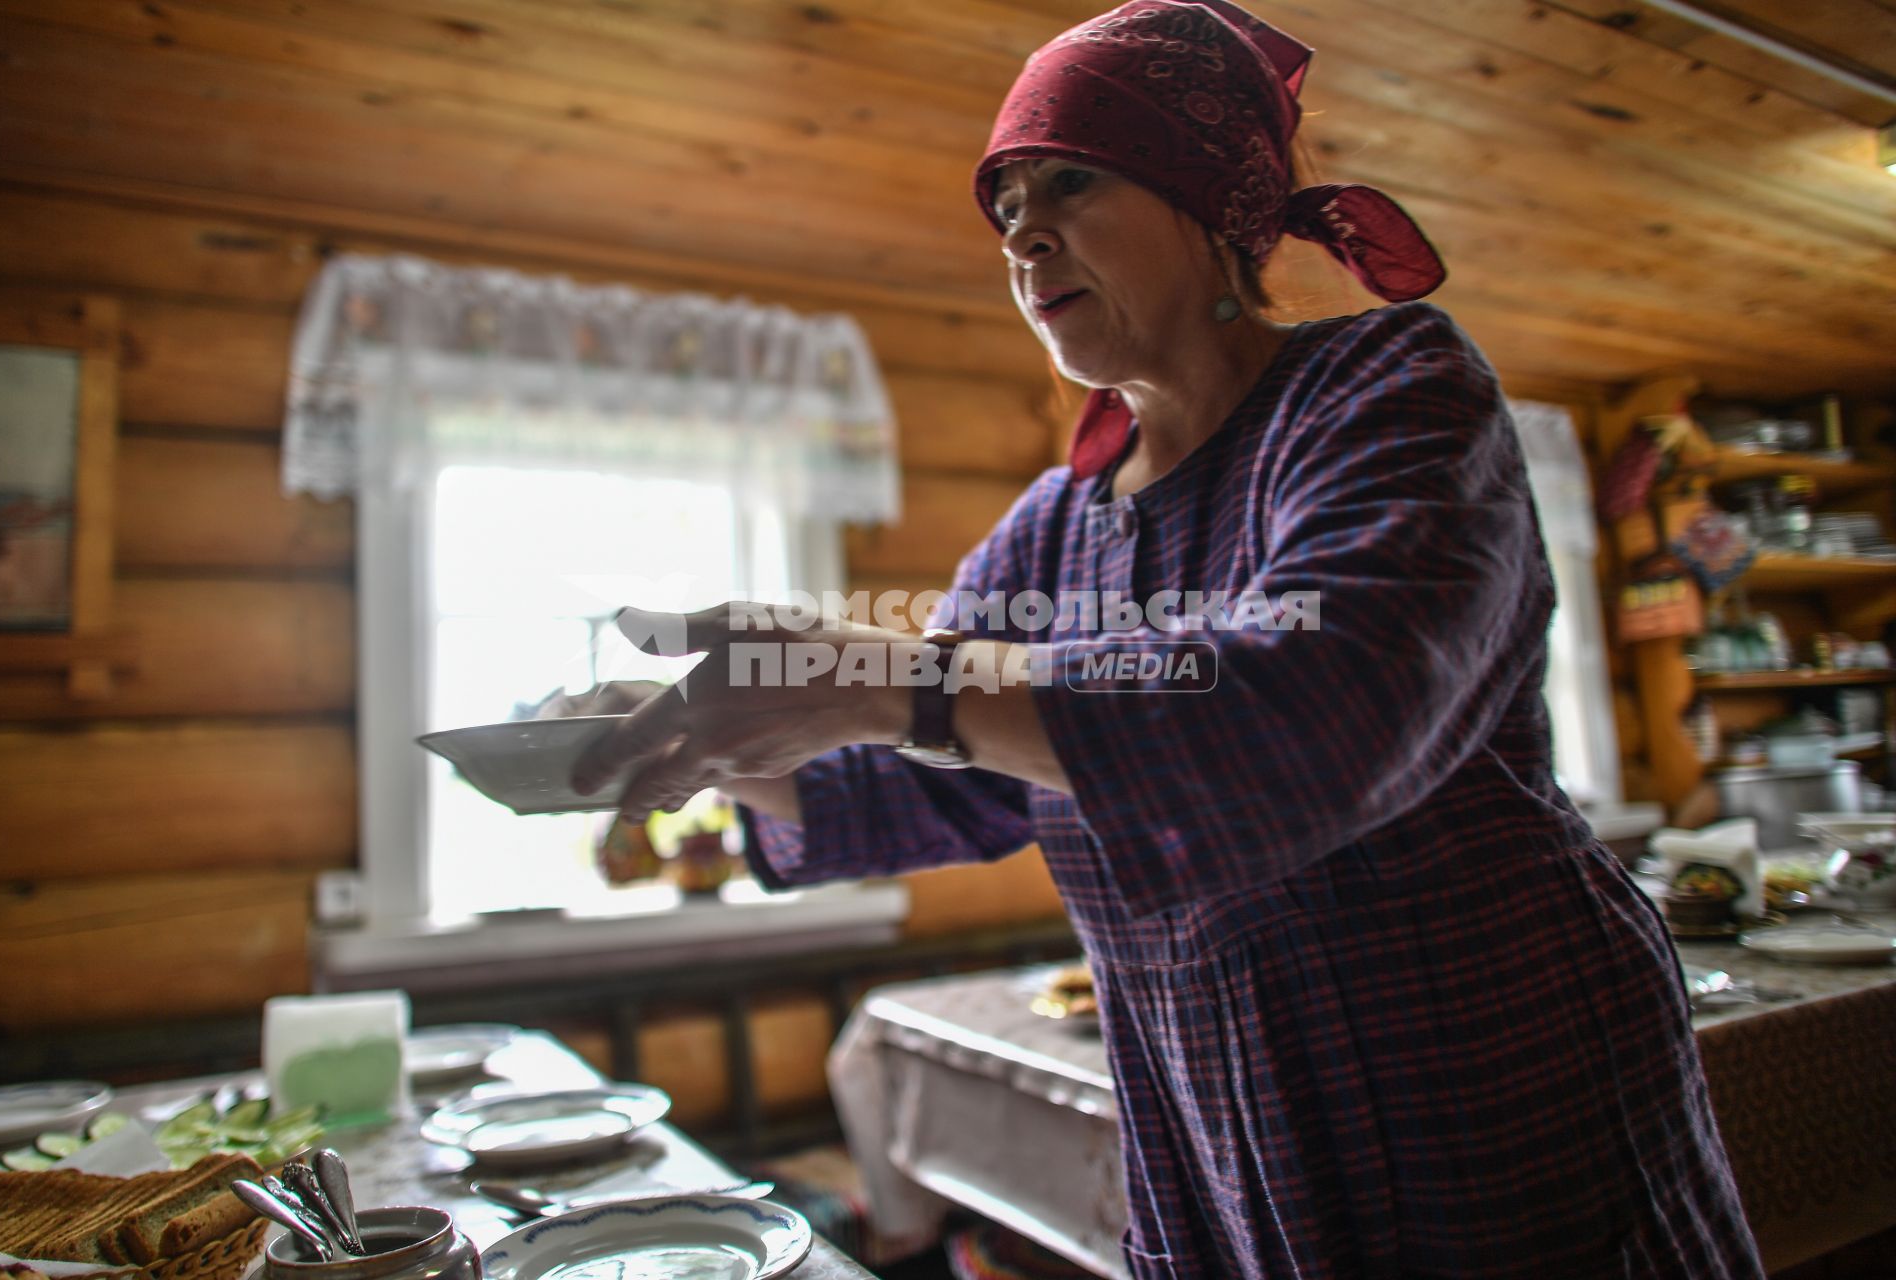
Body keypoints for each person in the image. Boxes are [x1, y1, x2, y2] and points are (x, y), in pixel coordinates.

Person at [555, 3, 1766, 1276]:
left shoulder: (1384, 389)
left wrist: (873, 672)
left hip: (1483, 1075)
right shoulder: (1053, 527)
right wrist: (711, 742)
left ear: (1210, 199)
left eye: (1069, 179)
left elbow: (1320, 698)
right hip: (1215, 1111)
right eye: (1004, 204)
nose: (1021, 232)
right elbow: (945, 772)